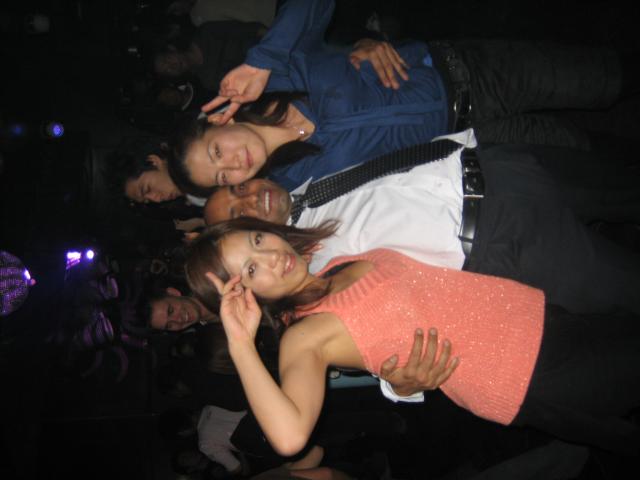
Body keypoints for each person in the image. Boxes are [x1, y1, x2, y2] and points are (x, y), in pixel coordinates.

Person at [184, 218, 640, 458]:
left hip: (543, 317)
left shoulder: (335, 265)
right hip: (527, 372)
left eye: (257, 241)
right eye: (251, 270)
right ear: (248, 294)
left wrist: (399, 385)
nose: (270, 257)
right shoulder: (305, 336)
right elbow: (288, 438)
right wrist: (240, 344)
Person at [170, 0, 624, 193]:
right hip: (476, 143)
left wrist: (261, 61)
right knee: (585, 151)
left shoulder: (281, 73)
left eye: (216, 152)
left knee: (602, 80)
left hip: (469, 72)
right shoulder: (298, 184)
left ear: (218, 122)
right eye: (222, 177)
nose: (234, 165)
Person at [202, 129, 640, 316]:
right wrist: (400, 384)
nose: (250, 198)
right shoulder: (309, 268)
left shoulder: (308, 176)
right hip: (506, 242)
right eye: (239, 214)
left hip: (499, 168)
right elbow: (339, 328)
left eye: (238, 188)